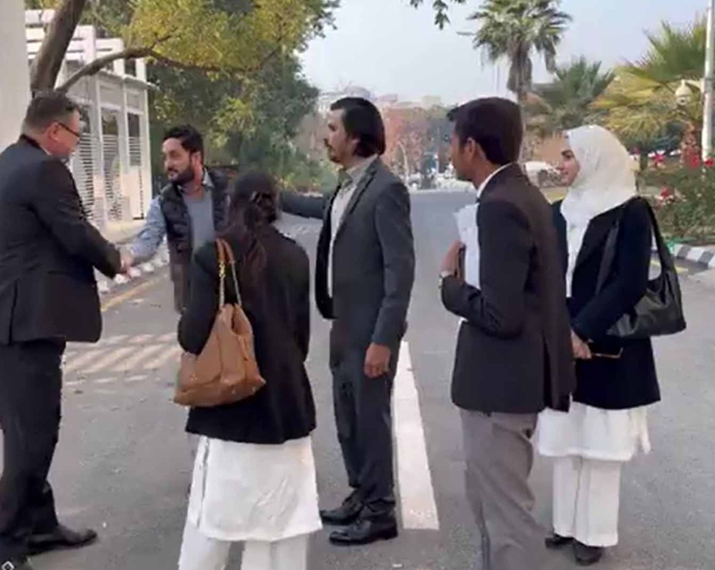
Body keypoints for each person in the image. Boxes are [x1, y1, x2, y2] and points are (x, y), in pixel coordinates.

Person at [0, 91, 131, 570]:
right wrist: (116, 259)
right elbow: (74, 231)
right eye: (76, 134)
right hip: (24, 325)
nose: (77, 145)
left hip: (3, 319)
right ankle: (4, 551)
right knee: (31, 439)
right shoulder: (44, 171)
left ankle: (40, 523)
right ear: (54, 131)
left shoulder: (2, 166)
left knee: (26, 430)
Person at [439, 97, 576, 570]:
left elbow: (502, 314)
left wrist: (450, 286)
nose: (448, 152)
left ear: (472, 147)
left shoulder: (499, 206)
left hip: (498, 385)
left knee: (506, 520)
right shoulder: (523, 195)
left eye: (452, 141)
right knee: (495, 512)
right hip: (511, 380)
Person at [280, 97, 415, 546]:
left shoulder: (386, 190)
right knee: (348, 419)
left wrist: (384, 340)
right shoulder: (347, 186)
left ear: (356, 138)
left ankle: (380, 511)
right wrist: (271, 193)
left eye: (334, 128)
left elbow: (400, 273)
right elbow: (321, 210)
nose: (327, 136)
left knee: (370, 420)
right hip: (342, 324)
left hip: (369, 332)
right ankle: (361, 493)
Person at [176, 171, 320, 570]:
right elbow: (301, 340)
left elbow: (193, 337)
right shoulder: (295, 255)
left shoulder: (213, 255)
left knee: (213, 524)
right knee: (281, 526)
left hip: (231, 409)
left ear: (232, 203)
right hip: (286, 408)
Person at [537, 125, 660, 566]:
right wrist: (560, 331)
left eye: (570, 156)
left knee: (601, 445)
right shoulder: (558, 212)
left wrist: (583, 331)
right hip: (562, 336)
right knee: (568, 436)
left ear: (595, 159)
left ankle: (594, 533)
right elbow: (545, 276)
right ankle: (566, 524)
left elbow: (629, 282)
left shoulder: (630, 211)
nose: (562, 165)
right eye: (563, 157)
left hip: (609, 340)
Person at [127, 125, 228, 313]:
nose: (168, 164)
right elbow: (148, 240)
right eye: (165, 157)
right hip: (191, 299)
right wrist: (126, 258)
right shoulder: (163, 202)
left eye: (175, 156)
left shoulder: (227, 191)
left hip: (232, 294)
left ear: (196, 157)